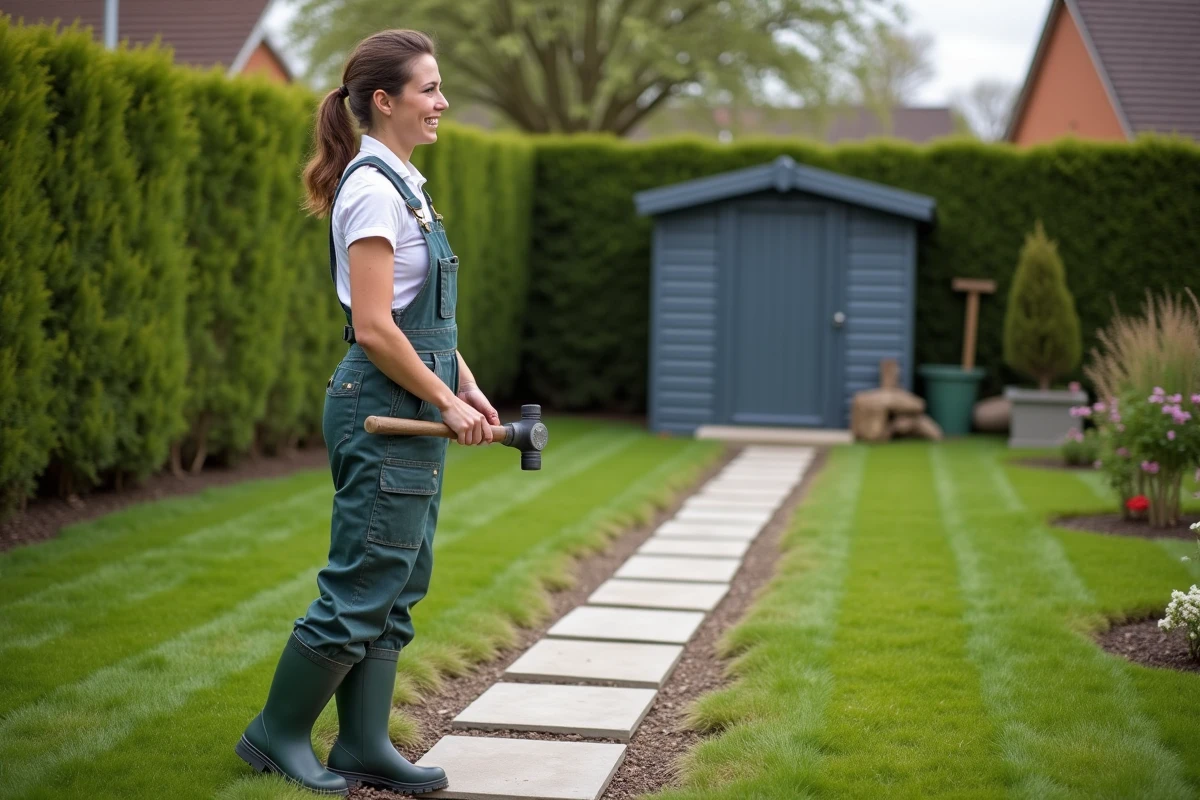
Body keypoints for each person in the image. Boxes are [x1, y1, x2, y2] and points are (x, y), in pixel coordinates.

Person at [234, 29, 497, 797]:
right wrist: (444, 398)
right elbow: (377, 326)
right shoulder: (373, 189)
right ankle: (276, 735)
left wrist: (466, 385)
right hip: (382, 406)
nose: (443, 102)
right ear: (384, 101)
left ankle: (362, 743)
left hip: (411, 396)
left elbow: (424, 320)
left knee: (398, 576)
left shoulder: (406, 183)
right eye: (429, 89)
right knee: (362, 579)